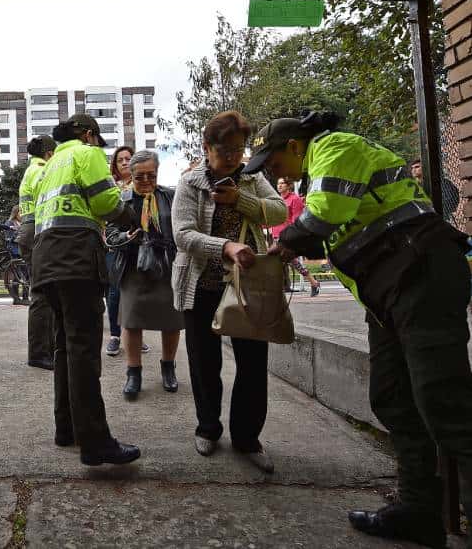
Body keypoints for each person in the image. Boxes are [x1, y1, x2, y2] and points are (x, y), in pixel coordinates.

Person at [251, 112, 472, 548]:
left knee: (444, 400)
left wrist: (286, 241)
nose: (275, 173)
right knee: (392, 396)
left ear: (295, 146)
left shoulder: (335, 147)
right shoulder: (318, 173)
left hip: (421, 274)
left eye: (274, 163)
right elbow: (326, 231)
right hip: (390, 292)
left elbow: (325, 216)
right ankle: (418, 510)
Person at [171, 110, 286, 473]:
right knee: (205, 363)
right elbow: (183, 234)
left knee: (253, 364)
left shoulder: (252, 178)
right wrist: (225, 247)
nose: (234, 157)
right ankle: (207, 429)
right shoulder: (189, 183)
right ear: (207, 148)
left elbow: (278, 212)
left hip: (247, 287)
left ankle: (247, 438)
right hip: (201, 285)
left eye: (239, 149)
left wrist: (240, 200)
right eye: (225, 150)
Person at [32, 113, 140, 466]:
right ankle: (95, 442)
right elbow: (106, 202)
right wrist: (130, 216)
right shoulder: (86, 153)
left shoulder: (49, 165)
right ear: (90, 134)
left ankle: (68, 428)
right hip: (76, 257)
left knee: (65, 346)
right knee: (83, 350)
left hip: (46, 259)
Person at [106, 150, 184, 398]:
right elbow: (109, 234)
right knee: (131, 320)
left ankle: (168, 368)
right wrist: (125, 237)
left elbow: (182, 228)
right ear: (131, 174)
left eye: (152, 175)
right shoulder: (122, 200)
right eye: (140, 177)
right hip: (133, 266)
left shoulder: (170, 197)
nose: (147, 181)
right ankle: (133, 372)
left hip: (166, 265)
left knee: (171, 320)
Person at [17, 135, 56, 371]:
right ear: (49, 153)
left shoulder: (30, 170)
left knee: (42, 291)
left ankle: (44, 349)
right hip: (38, 232)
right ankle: (40, 353)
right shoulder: (42, 172)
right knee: (42, 294)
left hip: (29, 231)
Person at [269, 176, 320, 297]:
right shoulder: (277, 200)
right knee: (277, 262)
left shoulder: (294, 199)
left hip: (287, 236)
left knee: (293, 261)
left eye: (282, 183)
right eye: (278, 184)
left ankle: (314, 282)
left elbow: (296, 219)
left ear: (288, 186)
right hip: (275, 234)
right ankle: (280, 287)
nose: (279, 186)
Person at [103, 146, 132, 356]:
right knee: (114, 292)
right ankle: (115, 335)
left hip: (137, 246)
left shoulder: (143, 185)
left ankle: (134, 333)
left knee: (134, 290)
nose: (124, 162)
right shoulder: (110, 186)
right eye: (120, 159)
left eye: (128, 158)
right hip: (113, 245)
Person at [411, 157, 459, 226]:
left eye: (417, 167)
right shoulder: (413, 187)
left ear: (425, 168)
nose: (414, 170)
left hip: (440, 217)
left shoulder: (441, 182)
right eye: (412, 168)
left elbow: (453, 198)